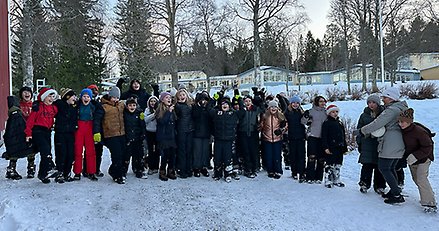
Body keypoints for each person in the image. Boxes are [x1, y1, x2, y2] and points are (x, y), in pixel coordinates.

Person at [357, 86, 408, 204]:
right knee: (390, 168)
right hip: (398, 142)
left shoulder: (392, 110)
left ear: (391, 98)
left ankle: (396, 194)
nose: (383, 99)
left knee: (384, 167)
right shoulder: (402, 107)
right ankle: (394, 191)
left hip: (390, 142)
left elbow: (377, 123)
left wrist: (362, 131)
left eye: (384, 97)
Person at [398, 108, 437, 213]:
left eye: (403, 121)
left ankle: (430, 204)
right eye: (399, 121)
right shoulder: (402, 131)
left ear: (409, 121)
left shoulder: (419, 132)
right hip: (412, 160)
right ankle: (429, 195)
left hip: (424, 158)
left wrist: (414, 156)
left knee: (421, 179)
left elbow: (428, 146)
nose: (400, 124)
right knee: (416, 179)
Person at [24, 88, 58, 183]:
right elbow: (30, 121)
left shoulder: (53, 108)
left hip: (47, 131)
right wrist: (28, 134)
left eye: (52, 96)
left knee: (47, 152)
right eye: (49, 96)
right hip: (38, 131)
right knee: (45, 150)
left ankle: (43, 174)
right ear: (44, 97)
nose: (51, 98)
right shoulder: (38, 107)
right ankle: (50, 167)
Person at [356, 94, 387, 194]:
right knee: (367, 166)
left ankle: (380, 185)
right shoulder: (364, 115)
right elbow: (359, 129)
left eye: (373, 102)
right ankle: (364, 183)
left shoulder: (384, 114)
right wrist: (359, 142)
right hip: (367, 144)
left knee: (380, 166)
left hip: (380, 143)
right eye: (369, 102)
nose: (371, 104)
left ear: (378, 103)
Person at [3, 96, 33, 180]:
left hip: (14, 139)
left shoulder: (11, 116)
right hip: (21, 137)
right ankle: (30, 169)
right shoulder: (17, 115)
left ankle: (12, 169)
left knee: (14, 153)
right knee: (30, 150)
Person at [101, 87, 127, 184]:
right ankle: (118, 175)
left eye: (117, 98)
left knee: (123, 154)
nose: (115, 99)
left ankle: (114, 170)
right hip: (110, 134)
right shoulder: (104, 106)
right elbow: (98, 120)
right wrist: (98, 133)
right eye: (113, 97)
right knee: (117, 155)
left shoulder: (121, 105)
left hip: (121, 133)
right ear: (109, 96)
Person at [209, 97, 239, 182]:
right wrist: (215, 98)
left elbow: (242, 111)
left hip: (229, 140)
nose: (224, 105)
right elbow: (209, 108)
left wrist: (238, 98)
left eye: (226, 104)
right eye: (223, 104)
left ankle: (227, 173)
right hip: (218, 139)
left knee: (227, 158)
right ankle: (217, 173)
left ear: (229, 106)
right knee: (217, 157)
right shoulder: (216, 113)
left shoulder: (233, 114)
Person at [236, 92, 264, 179]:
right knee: (245, 151)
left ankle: (254, 167)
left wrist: (259, 99)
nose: (247, 103)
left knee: (253, 151)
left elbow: (263, 108)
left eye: (249, 101)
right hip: (243, 133)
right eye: (246, 101)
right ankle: (247, 169)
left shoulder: (255, 109)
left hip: (253, 133)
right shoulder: (242, 110)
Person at [73, 89, 99, 181]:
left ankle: (91, 172)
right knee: (78, 151)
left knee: (90, 151)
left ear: (90, 98)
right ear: (81, 97)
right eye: (84, 96)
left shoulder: (93, 106)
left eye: (88, 97)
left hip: (89, 127)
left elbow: (99, 114)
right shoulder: (77, 105)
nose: (86, 98)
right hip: (79, 127)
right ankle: (77, 172)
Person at [53, 88, 78, 183]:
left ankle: (67, 173)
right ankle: (60, 173)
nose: (74, 98)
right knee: (61, 153)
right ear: (67, 97)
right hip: (60, 133)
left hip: (71, 133)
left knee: (70, 154)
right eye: (72, 96)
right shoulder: (59, 105)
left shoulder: (74, 106)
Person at [302, 96, 327, 184]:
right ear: (316, 102)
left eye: (324, 101)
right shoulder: (311, 111)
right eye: (321, 101)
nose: (323, 103)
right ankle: (309, 176)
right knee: (312, 157)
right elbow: (303, 122)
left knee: (321, 158)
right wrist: (305, 117)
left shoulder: (326, 112)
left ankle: (319, 177)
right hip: (312, 136)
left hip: (323, 138)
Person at [260, 100, 287, 179]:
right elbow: (261, 125)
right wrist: (259, 128)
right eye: (271, 106)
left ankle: (278, 170)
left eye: (275, 106)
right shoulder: (265, 115)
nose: (273, 108)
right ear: (269, 108)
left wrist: (281, 130)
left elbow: (285, 125)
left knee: (277, 155)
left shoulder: (280, 115)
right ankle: (270, 170)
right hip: (267, 138)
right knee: (269, 155)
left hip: (277, 139)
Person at [321, 104, 347, 188]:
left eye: (336, 112)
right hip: (331, 147)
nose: (335, 113)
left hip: (339, 147)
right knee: (330, 164)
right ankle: (328, 180)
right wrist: (325, 147)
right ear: (329, 113)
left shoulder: (340, 122)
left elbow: (343, 135)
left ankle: (336, 179)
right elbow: (324, 136)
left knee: (338, 164)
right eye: (332, 112)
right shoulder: (326, 123)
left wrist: (344, 146)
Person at [155, 92, 178, 181]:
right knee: (165, 156)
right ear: (162, 99)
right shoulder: (160, 110)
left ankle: (171, 170)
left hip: (171, 136)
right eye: (166, 97)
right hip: (163, 137)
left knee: (172, 155)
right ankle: (162, 171)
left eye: (170, 97)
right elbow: (162, 122)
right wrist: (169, 112)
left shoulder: (172, 109)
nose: (169, 99)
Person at [123, 97, 147, 179]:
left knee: (138, 155)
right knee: (126, 156)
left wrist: (143, 134)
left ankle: (138, 169)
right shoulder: (124, 114)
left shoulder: (139, 113)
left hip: (137, 138)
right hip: (128, 138)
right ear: (127, 106)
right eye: (130, 105)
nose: (132, 107)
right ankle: (124, 171)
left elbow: (142, 125)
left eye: (134, 105)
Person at [284, 95, 306, 182]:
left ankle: (302, 172)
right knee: (293, 155)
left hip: (301, 136)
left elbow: (305, 122)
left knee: (301, 155)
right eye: (294, 103)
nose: (295, 104)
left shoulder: (301, 112)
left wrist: (306, 117)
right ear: (290, 103)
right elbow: (284, 124)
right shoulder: (287, 113)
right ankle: (294, 171)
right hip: (291, 136)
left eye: (297, 103)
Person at [174, 89, 194, 178]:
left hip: (190, 130)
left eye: (183, 94)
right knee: (182, 150)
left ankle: (189, 169)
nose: (182, 96)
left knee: (189, 150)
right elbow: (176, 116)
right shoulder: (177, 106)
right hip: (181, 130)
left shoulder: (190, 105)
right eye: (180, 95)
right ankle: (182, 170)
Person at [192, 92, 212, 178]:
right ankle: (196, 167)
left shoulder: (209, 109)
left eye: (205, 100)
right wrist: (199, 106)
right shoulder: (195, 108)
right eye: (202, 100)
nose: (204, 102)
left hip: (206, 133)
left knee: (205, 151)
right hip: (197, 133)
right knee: (197, 151)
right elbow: (195, 115)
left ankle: (204, 167)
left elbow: (211, 117)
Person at [87, 84, 105, 177]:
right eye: (92, 90)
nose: (94, 92)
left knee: (98, 151)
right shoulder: (85, 102)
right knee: (89, 151)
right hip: (88, 128)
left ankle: (96, 168)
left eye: (95, 90)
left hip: (99, 128)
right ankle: (86, 169)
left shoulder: (100, 102)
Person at [18, 86, 37, 178]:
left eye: (28, 92)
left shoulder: (33, 105)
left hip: (31, 130)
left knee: (31, 148)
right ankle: (11, 168)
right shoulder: (18, 105)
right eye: (24, 92)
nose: (27, 94)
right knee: (16, 148)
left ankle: (31, 168)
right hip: (19, 130)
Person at [144, 95, 159, 175]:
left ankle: (156, 166)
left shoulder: (159, 109)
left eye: (154, 101)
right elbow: (145, 119)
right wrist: (153, 115)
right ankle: (151, 166)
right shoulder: (147, 110)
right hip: (149, 132)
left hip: (157, 132)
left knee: (157, 150)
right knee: (150, 150)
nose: (153, 103)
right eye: (151, 101)